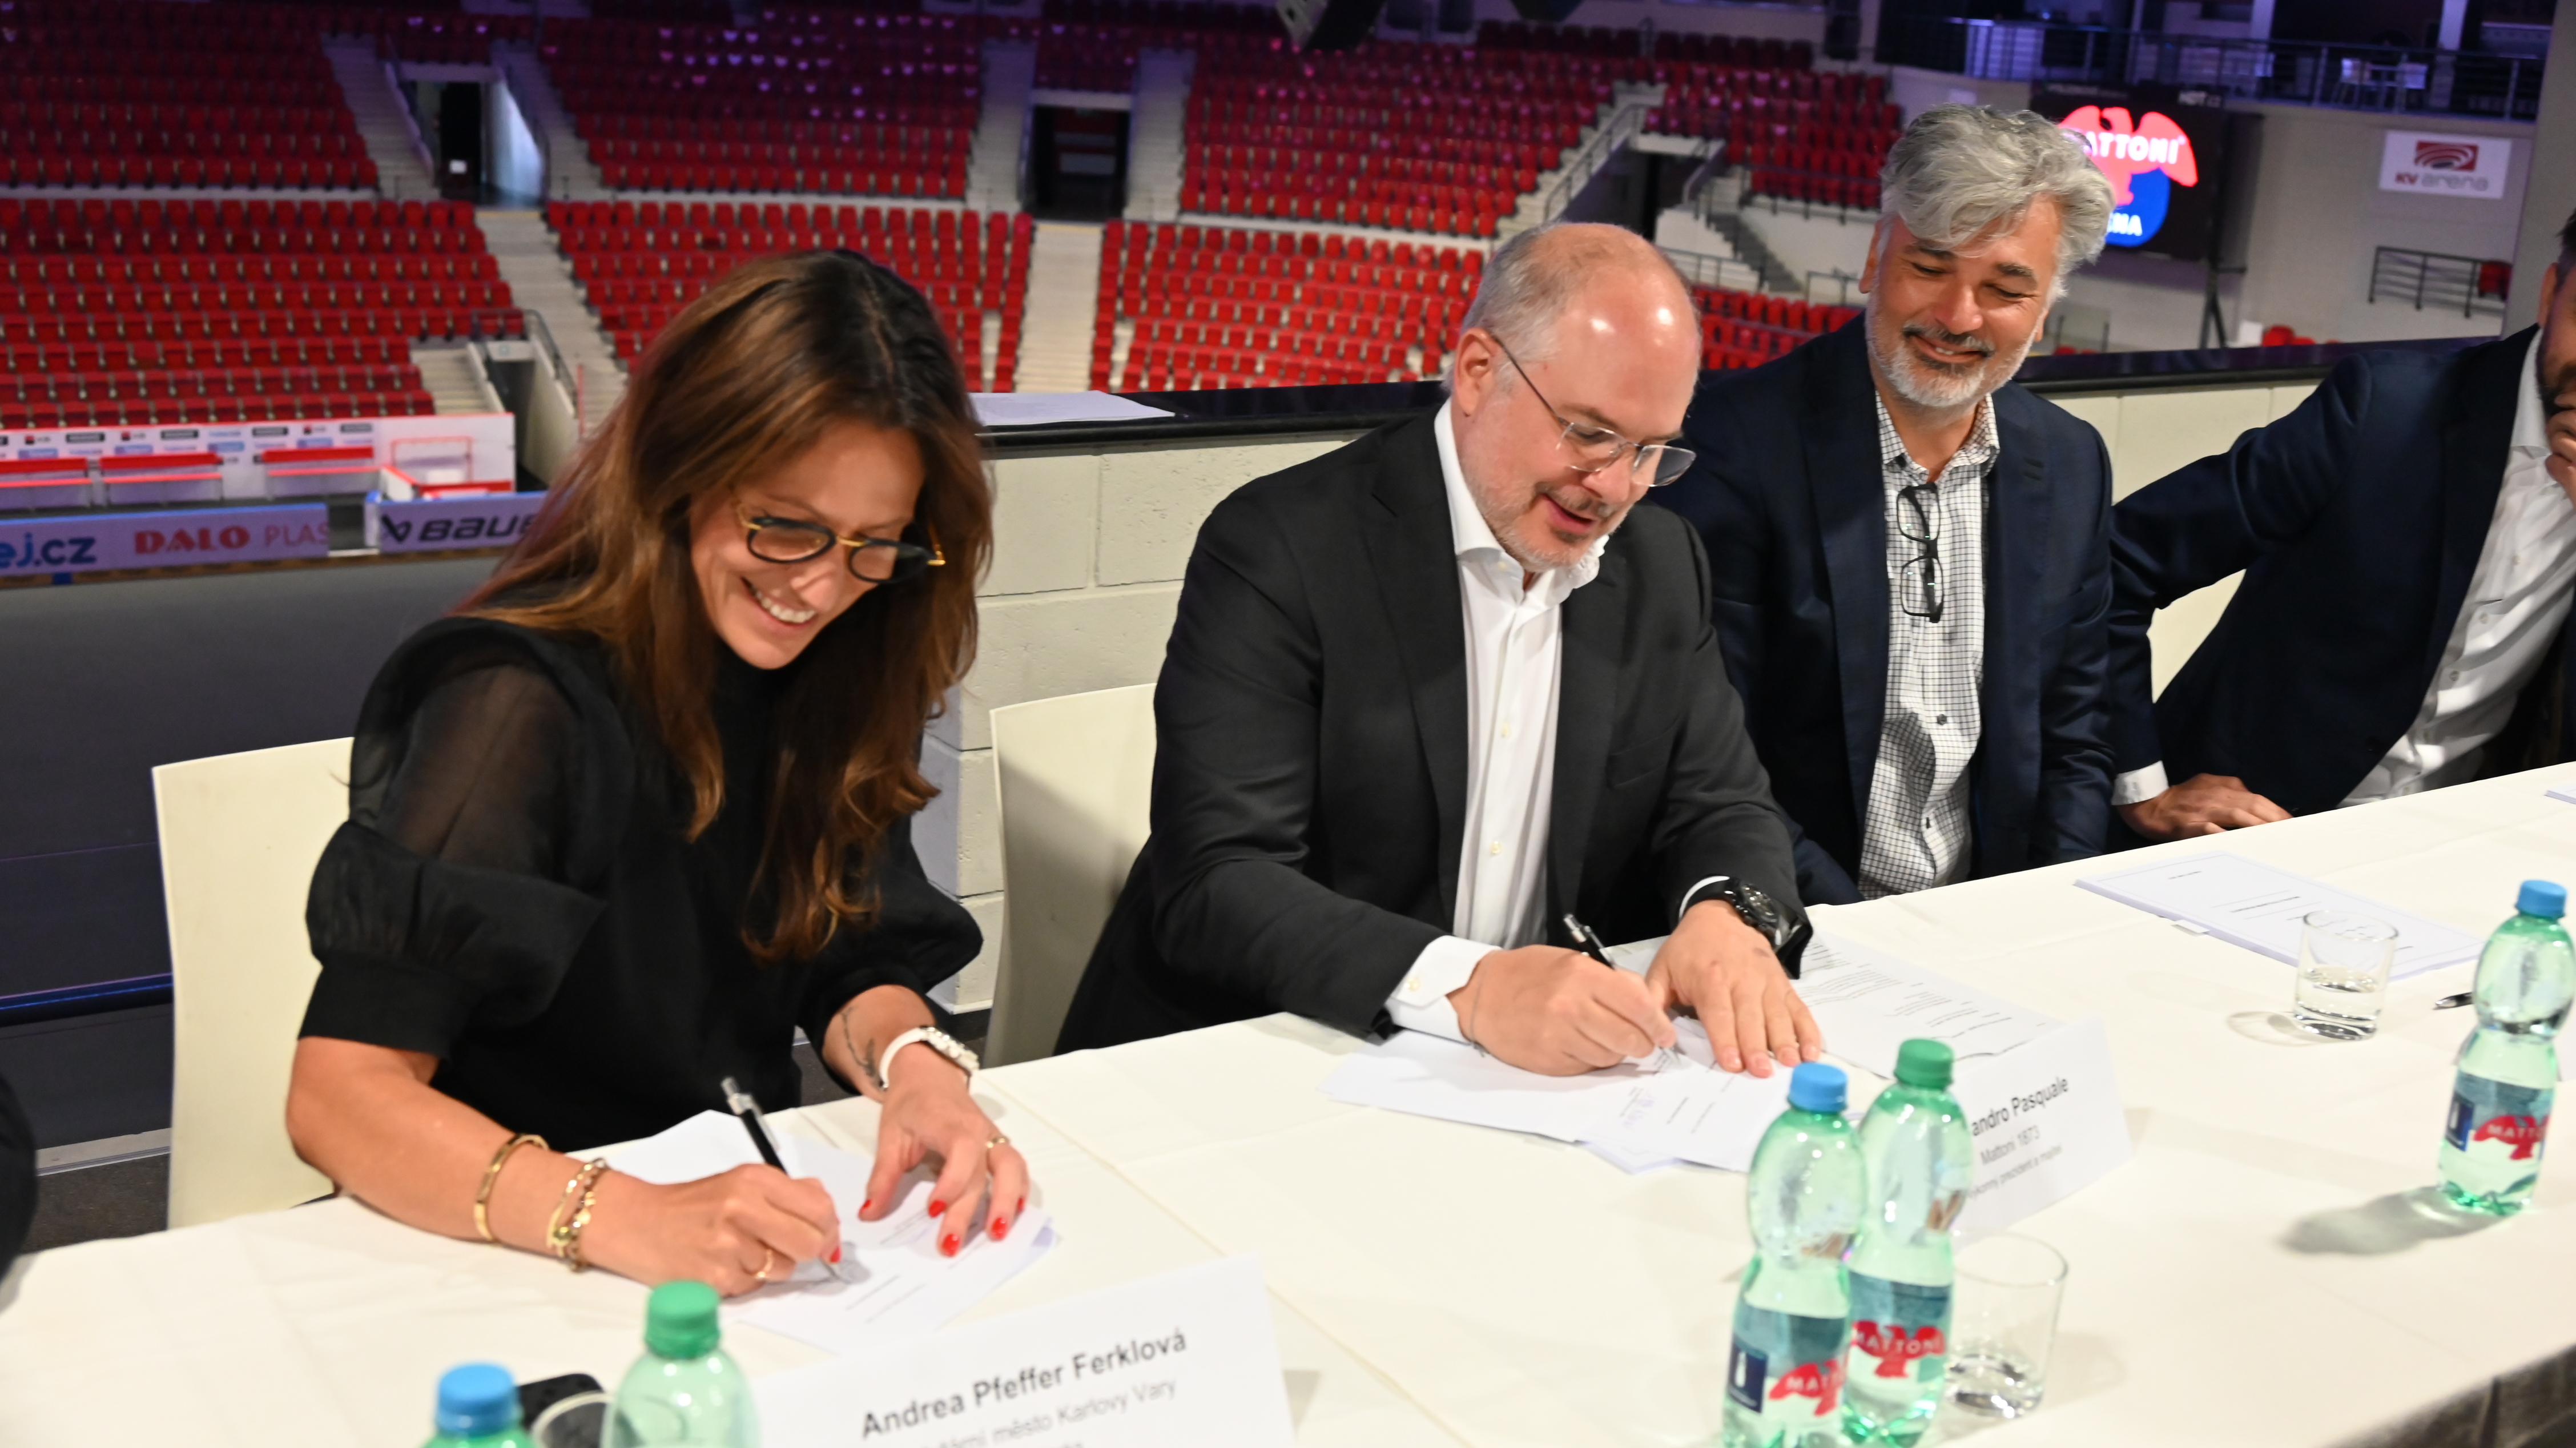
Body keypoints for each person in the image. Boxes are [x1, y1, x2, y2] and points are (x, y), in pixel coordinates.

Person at [285, 251, 1028, 1293]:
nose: (822, 589)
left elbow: (849, 956)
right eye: (786, 527)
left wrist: (918, 1067)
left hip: (733, 1214)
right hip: (495, 1241)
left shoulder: (843, 670)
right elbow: (341, 1092)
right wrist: (619, 1214)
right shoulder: (517, 697)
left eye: (877, 545)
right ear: (680, 467)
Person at [1057, 223, 1820, 1079]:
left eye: (1650, 452)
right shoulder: (1282, 547)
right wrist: (1470, 987)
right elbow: (1218, 880)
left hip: (1519, 1074)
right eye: (1588, 433)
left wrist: (1726, 914)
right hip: (1265, 1047)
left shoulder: (1663, 564)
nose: (1616, 487)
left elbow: (1723, 803)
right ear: (1479, 371)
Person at [1652, 106, 2120, 905]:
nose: (1959, 317)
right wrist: (1860, 934)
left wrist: (2043, 910)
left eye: (2006, 288)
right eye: (1930, 268)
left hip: (1988, 921)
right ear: (1876, 257)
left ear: (2045, 308)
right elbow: (1711, 758)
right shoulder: (1734, 448)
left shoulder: (2073, 461)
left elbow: (2076, 738)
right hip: (1794, 917)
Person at [2109, 207, 2576, 835]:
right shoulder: (2385, 411)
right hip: (2242, 834)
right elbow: (2115, 563)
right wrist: (2142, 788)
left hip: (2455, 851)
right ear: (2549, 296)